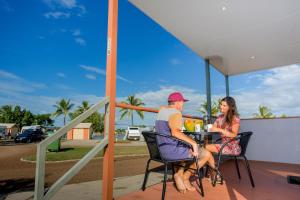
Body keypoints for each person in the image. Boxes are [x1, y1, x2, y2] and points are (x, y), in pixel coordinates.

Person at [155, 92, 212, 193]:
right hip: (173, 152)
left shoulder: (161, 112)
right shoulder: (176, 113)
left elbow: (170, 132)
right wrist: (194, 143)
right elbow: (175, 132)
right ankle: (185, 177)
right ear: (177, 102)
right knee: (206, 154)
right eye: (182, 102)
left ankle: (179, 175)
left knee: (186, 146)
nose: (183, 105)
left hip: (162, 151)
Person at [205, 96, 241, 180]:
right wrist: (208, 128)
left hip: (231, 146)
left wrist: (219, 129)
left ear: (230, 107)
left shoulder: (235, 118)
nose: (221, 107)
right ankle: (214, 170)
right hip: (221, 143)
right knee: (204, 145)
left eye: (224, 105)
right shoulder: (220, 117)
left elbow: (234, 135)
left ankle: (213, 171)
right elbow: (212, 129)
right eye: (221, 104)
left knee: (205, 147)